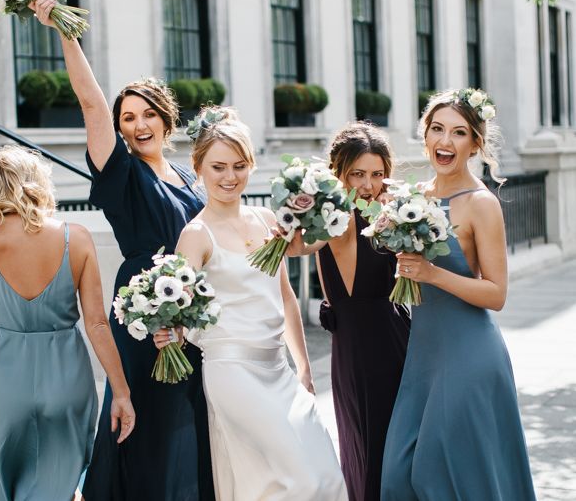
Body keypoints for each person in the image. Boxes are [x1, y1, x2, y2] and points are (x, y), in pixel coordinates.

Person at [31, 0, 214, 500]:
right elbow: (92, 103)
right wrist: (64, 30)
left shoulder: (187, 176)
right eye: (128, 117)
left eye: (148, 114)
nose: (138, 124)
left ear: (166, 119)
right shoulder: (121, 172)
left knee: (189, 421)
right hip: (142, 316)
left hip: (191, 314)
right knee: (144, 422)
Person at [0, 31, 135, 501]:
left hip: (4, 383)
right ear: (37, 182)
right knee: (59, 488)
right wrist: (122, 391)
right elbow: (96, 322)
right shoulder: (77, 238)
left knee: (4, 487)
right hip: (65, 380)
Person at [154, 106, 347, 501]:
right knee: (296, 482)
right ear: (199, 168)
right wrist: (168, 333)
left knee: (327, 474)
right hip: (232, 371)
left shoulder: (265, 221)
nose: (230, 177)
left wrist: (304, 366)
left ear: (251, 166)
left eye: (239, 166)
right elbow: (178, 309)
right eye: (219, 167)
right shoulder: (196, 235)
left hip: (278, 369)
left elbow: (286, 297)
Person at [380, 90, 536, 500]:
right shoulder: (414, 197)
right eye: (437, 129)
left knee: (444, 480)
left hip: (468, 355)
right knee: (398, 476)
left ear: (475, 143)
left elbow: (496, 293)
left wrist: (431, 273)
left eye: (459, 132)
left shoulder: (481, 204)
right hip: (423, 355)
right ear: (424, 133)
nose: (445, 142)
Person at [288, 122, 410, 500]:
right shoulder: (336, 221)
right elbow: (299, 247)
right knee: (371, 449)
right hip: (365, 353)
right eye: (357, 174)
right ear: (338, 175)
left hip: (396, 344)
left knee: (379, 450)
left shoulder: (387, 219)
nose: (368, 185)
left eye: (377, 175)